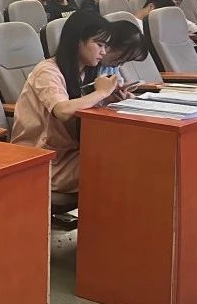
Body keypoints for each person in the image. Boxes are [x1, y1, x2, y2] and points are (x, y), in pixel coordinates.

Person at [10, 11, 133, 197]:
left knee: (131, 156)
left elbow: (81, 107)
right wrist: (100, 93)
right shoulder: (47, 71)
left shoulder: (85, 72)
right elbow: (62, 110)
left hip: (71, 153)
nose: (104, 52)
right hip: (42, 160)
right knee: (121, 167)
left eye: (106, 46)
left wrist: (109, 100)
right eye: (99, 44)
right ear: (78, 41)